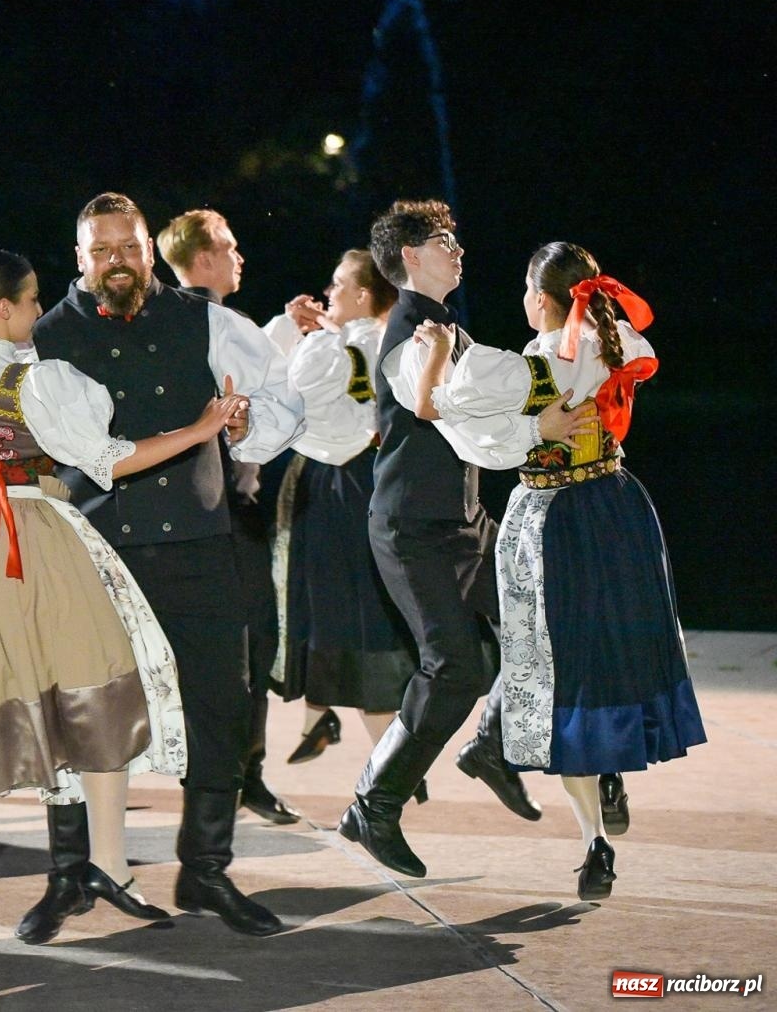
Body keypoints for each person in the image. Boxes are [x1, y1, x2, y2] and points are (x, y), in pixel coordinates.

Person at [0, 192, 302, 941]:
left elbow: (280, 405)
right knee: (74, 712)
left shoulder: (209, 321)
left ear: (150, 250)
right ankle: (70, 875)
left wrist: (249, 428)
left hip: (198, 541)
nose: (117, 262)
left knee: (223, 701)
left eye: (129, 247)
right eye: (102, 251)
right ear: (80, 257)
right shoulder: (42, 336)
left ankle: (206, 869)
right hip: (90, 551)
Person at [0, 250, 232, 950]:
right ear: (7, 308)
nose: (40, 310)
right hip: (33, 538)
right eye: (34, 297)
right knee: (97, 685)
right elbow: (108, 460)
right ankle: (106, 863)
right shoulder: (36, 379)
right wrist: (202, 429)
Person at [410, 242, 705, 899]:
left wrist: (438, 358)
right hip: (619, 506)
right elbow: (625, 343)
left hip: (553, 518)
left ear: (539, 299)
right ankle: (609, 771)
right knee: (618, 652)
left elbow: (446, 417)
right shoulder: (614, 339)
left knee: (558, 668)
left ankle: (594, 841)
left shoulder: (530, 368)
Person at [339, 200, 590, 879]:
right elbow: (451, 418)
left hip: (462, 519)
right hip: (411, 529)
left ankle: (492, 744)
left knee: (533, 630)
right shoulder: (408, 335)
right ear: (411, 256)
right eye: (444, 240)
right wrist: (542, 430)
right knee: (454, 669)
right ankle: (374, 801)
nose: (458, 248)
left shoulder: (445, 325)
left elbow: (495, 399)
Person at [155, 208, 297, 825]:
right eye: (232, 247)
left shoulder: (161, 325)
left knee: (215, 651)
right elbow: (271, 401)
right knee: (247, 645)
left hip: (187, 510)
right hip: (228, 511)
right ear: (206, 257)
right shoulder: (219, 324)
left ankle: (227, 773)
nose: (241, 258)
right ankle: (239, 776)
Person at [264, 251, 423, 786]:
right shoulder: (393, 341)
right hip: (374, 481)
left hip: (337, 486)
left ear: (361, 295)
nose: (328, 293)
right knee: (349, 608)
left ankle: (390, 757)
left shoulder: (336, 347)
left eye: (337, 285)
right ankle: (324, 718)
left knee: (340, 608)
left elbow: (281, 387)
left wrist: (304, 331)